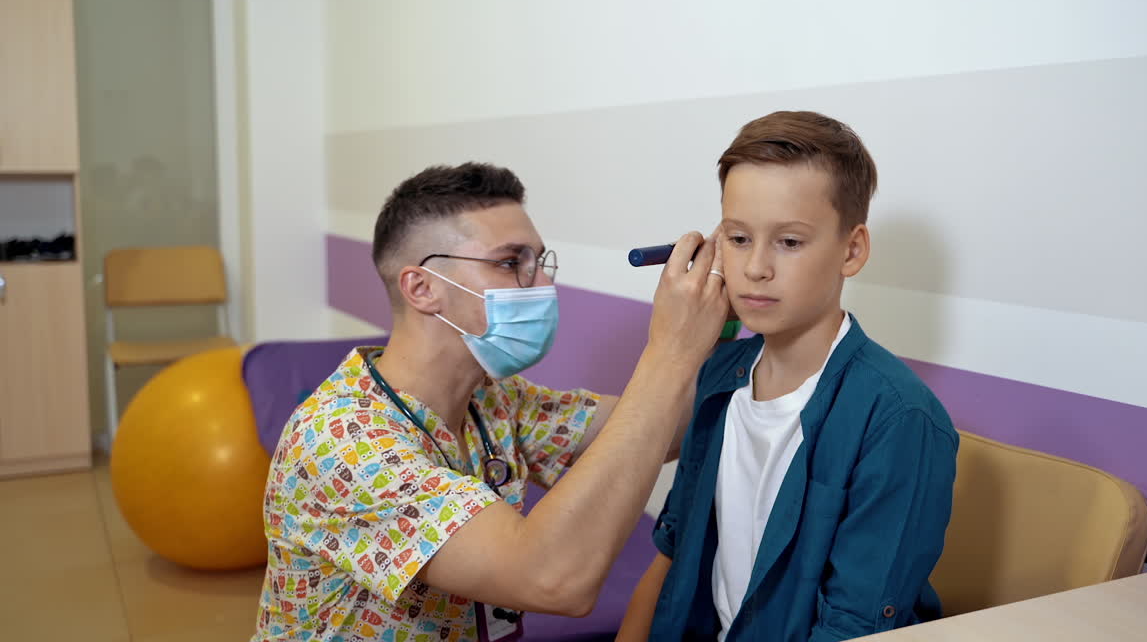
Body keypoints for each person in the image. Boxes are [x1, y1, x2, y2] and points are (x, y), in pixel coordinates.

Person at [253, 162, 729, 641]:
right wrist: (668, 352)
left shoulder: (494, 400)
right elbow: (553, 580)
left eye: (540, 262)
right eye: (510, 263)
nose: (542, 284)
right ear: (422, 288)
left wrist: (724, 322)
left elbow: (667, 429)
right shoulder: (342, 442)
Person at [618, 111, 959, 641]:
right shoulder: (718, 377)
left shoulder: (899, 418)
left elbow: (854, 624)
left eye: (790, 242)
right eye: (737, 238)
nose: (755, 267)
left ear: (852, 250)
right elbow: (674, 552)